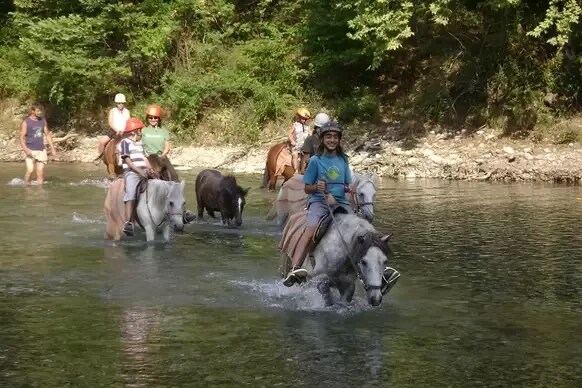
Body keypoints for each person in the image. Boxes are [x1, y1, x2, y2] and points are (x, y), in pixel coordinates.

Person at [283, 121, 354, 287]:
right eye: (328, 136)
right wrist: (317, 187)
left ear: (339, 140)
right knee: (310, 230)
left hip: (341, 203)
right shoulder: (315, 160)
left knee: (362, 230)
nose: (332, 140)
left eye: (335, 137)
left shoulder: (343, 160)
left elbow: (346, 184)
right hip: (319, 203)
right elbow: (307, 188)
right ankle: (296, 267)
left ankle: (374, 272)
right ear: (322, 139)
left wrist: (348, 188)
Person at [118, 117, 152, 236]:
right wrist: (139, 171)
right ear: (134, 131)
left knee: (162, 184)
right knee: (131, 192)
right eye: (140, 129)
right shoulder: (125, 142)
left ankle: (178, 213)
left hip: (143, 172)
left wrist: (150, 169)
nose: (141, 131)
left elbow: (145, 159)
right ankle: (128, 223)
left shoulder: (139, 144)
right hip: (132, 172)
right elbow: (128, 161)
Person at [19, 103, 57, 185]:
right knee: (30, 170)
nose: (40, 112)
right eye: (38, 111)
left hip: (41, 149)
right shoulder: (26, 122)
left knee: (40, 172)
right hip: (30, 149)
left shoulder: (42, 120)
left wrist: (53, 149)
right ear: (33, 111)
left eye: (41, 111)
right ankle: (26, 188)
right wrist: (25, 149)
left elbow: (47, 135)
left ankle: (40, 191)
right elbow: (21, 138)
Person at [288, 107, 311, 172]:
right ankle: (295, 170)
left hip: (305, 145)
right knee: (295, 155)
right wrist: (292, 140)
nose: (304, 120)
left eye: (305, 119)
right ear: (299, 117)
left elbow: (310, 135)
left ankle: (304, 170)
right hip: (296, 144)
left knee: (306, 157)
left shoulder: (307, 126)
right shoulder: (295, 125)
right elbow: (290, 133)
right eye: (303, 118)